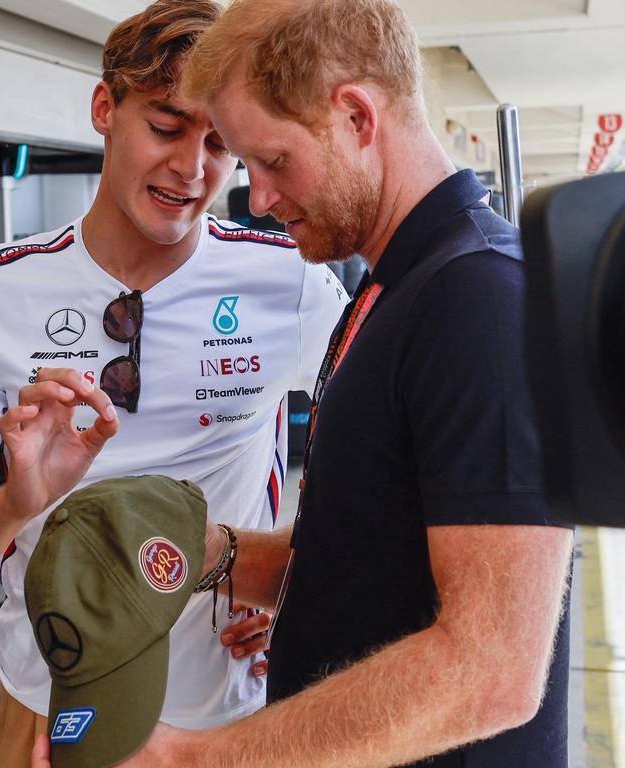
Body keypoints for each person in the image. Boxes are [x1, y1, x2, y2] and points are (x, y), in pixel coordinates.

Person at [29, 0, 574, 766]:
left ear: (355, 115)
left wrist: (193, 759)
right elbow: (360, 557)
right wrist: (199, 550)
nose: (258, 197)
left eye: (272, 160)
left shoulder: (481, 299)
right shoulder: (394, 291)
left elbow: (491, 671)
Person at [0, 2, 347, 765]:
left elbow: (377, 479)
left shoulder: (290, 282)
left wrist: (300, 595)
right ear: (106, 108)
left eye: (221, 144)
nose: (192, 169)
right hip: (56, 704)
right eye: (167, 127)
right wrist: (18, 501)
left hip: (232, 713)